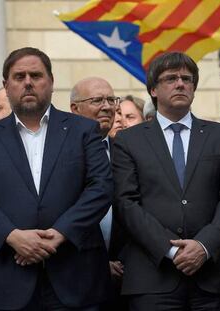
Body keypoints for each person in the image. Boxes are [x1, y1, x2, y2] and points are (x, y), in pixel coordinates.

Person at [0, 47, 113, 311]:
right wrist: (12, 236)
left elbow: (100, 188)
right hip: (7, 279)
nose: (28, 82)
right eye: (19, 77)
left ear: (51, 82)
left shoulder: (83, 130)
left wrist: (61, 233)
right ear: (6, 86)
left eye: (36, 75)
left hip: (76, 279)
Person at [112, 51, 220, 310]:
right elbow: (126, 203)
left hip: (212, 278)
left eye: (187, 78)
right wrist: (171, 250)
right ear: (153, 89)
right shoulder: (129, 140)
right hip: (152, 277)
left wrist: (203, 246)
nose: (181, 84)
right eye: (171, 78)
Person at [70, 77, 127, 310]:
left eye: (111, 100)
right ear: (75, 109)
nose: (106, 106)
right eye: (97, 100)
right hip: (75, 279)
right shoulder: (61, 155)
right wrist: (98, 263)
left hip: (127, 280)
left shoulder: (127, 153)